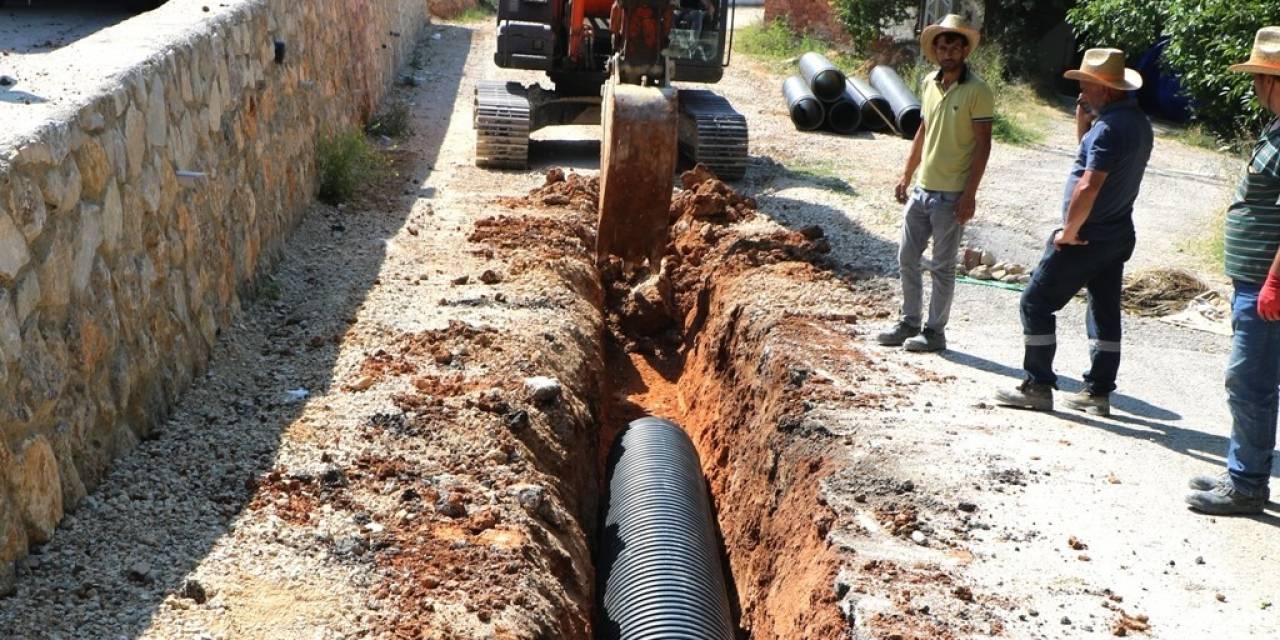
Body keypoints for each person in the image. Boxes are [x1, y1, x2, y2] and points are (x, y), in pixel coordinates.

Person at [994, 48, 1152, 414]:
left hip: (1087, 235)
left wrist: (1068, 231)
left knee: (1034, 302)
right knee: (1104, 309)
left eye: (1086, 85)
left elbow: (1088, 185)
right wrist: (1086, 123)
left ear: (1106, 89)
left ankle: (1038, 385)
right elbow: (1092, 161)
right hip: (1116, 232)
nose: (1080, 93)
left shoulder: (1110, 130)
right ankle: (1097, 393)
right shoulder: (1136, 124)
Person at [1186, 27, 1280, 515]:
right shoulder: (1277, 128)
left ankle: (1246, 486)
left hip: (1268, 287)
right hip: (1256, 281)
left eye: (1260, 78)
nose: (1255, 87)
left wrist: (1275, 282)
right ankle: (1243, 468)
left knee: (1250, 382)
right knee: (1253, 381)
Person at [875, 14, 993, 353]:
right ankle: (908, 322)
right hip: (923, 189)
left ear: (965, 50)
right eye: (942, 46)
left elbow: (984, 145)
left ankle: (934, 331)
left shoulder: (978, 91)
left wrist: (970, 194)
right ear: (935, 51)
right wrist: (906, 174)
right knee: (907, 257)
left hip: (952, 194)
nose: (948, 52)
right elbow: (923, 132)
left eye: (954, 46)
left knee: (942, 266)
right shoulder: (929, 83)